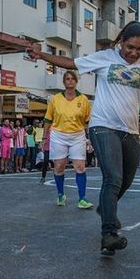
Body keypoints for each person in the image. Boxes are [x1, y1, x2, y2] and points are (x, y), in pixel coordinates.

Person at [29, 21, 140, 255]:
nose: (134, 53)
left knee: (126, 180)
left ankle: (106, 208)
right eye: (130, 47)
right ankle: (109, 234)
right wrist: (41, 54)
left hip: (130, 131)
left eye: (139, 49)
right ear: (121, 42)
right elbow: (71, 62)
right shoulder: (106, 57)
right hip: (103, 126)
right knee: (113, 178)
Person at [43, 69, 93, 208]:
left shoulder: (83, 100)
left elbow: (88, 122)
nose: (70, 81)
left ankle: (82, 198)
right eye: (67, 79)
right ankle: (60, 194)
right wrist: (44, 138)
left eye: (72, 79)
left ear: (76, 82)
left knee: (80, 167)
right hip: (58, 135)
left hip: (77, 135)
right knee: (59, 167)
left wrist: (90, 139)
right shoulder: (55, 99)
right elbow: (48, 119)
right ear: (64, 82)